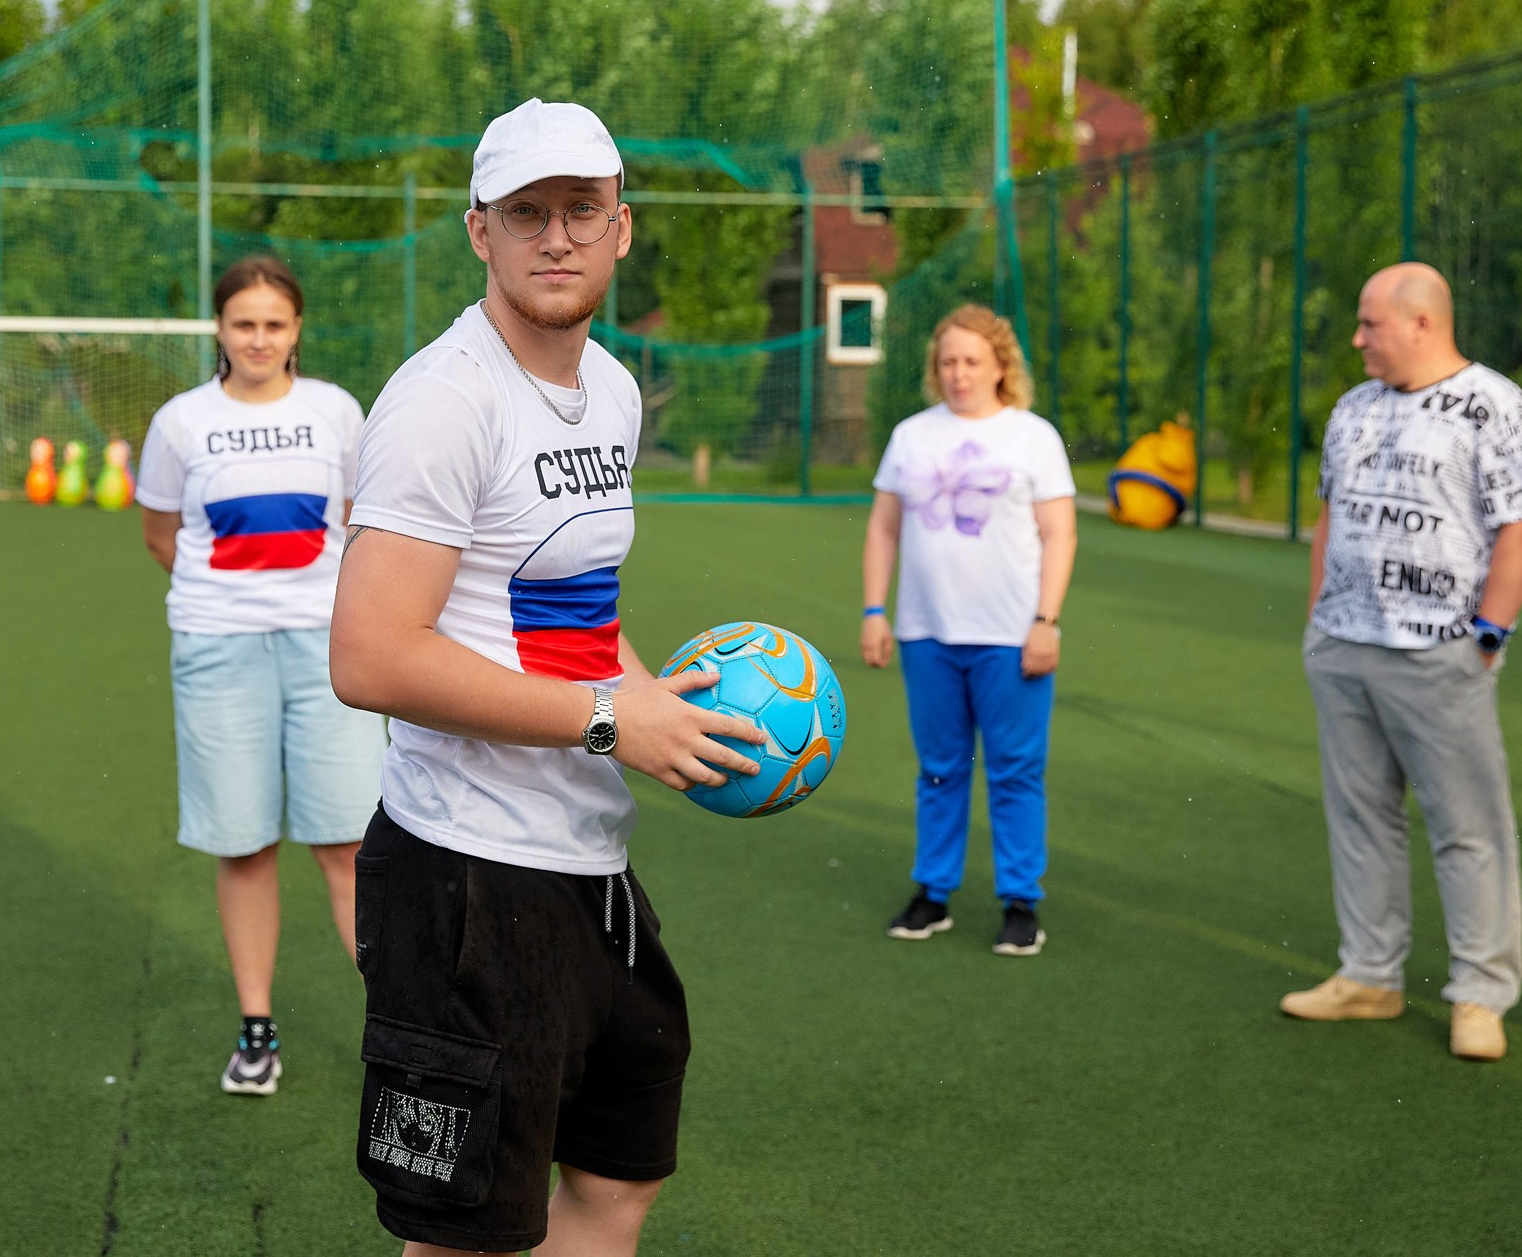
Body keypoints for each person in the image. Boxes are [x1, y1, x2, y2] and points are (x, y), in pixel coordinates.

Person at [330, 99, 763, 1257]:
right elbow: (369, 656)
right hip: (466, 874)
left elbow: (573, 610)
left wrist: (655, 702)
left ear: (623, 227)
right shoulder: (442, 401)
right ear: (481, 232)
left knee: (618, 1176)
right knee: (468, 1232)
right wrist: (612, 719)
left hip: (588, 862)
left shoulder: (610, 392)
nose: (555, 237)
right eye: (527, 213)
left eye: (580, 209)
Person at [1283, 261, 1522, 1062]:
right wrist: (1317, 623)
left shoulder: (1494, 405)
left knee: (1467, 827)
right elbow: (1331, 517)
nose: (1359, 338)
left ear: (1423, 322)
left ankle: (1479, 995)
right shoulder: (1353, 407)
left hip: (1439, 652)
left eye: (1370, 324)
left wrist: (1488, 636)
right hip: (1344, 645)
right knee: (1360, 815)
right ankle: (1369, 973)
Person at [136, 254, 385, 1095]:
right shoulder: (180, 421)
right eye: (243, 323)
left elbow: (357, 526)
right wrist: (235, 602)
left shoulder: (336, 412)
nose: (259, 339)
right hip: (219, 648)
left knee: (349, 845)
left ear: (297, 330)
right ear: (219, 328)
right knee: (243, 845)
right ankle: (256, 1032)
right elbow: (162, 534)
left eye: (275, 324)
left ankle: (398, 1030)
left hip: (328, 649)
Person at [860, 304, 1078, 957]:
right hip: (927, 633)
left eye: (972, 361)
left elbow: (1059, 532)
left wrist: (1046, 621)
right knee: (940, 768)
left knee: (1015, 769)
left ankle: (1020, 900)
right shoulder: (911, 436)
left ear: (1001, 365)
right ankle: (933, 892)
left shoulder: (1032, 436)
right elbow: (883, 528)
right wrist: (877, 610)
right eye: (948, 361)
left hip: (1012, 637)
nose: (958, 373)